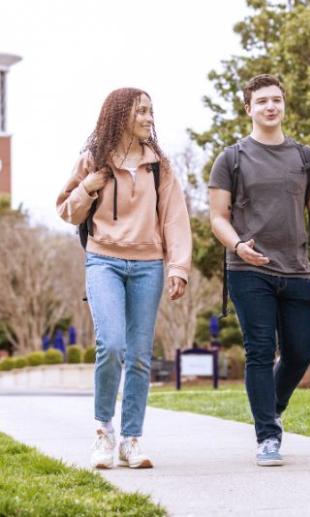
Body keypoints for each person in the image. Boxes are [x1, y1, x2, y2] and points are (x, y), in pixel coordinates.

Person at [57, 87, 192, 469]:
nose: (150, 118)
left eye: (151, 111)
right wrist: (88, 186)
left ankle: (132, 440)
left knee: (139, 356)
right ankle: (103, 432)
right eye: (142, 112)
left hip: (149, 264)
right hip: (104, 262)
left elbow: (175, 218)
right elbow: (67, 210)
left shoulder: (158, 166)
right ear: (120, 116)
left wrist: (178, 267)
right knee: (111, 345)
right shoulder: (93, 159)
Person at [208, 74, 310, 466]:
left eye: (276, 100)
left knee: (299, 354)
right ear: (248, 108)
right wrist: (238, 246)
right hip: (249, 270)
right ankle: (267, 435)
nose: (270, 106)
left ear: (283, 105)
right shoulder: (231, 158)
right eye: (262, 100)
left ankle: (270, 408)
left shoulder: (304, 157)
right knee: (260, 351)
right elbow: (217, 217)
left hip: (295, 269)